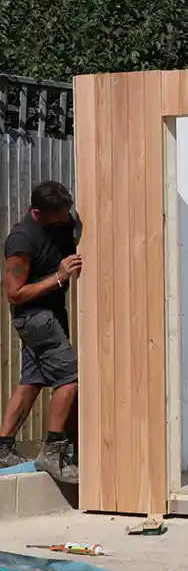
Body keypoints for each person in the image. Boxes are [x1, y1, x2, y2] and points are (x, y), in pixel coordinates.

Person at [0, 181, 82, 483]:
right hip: (35, 317)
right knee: (70, 378)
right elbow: (15, 294)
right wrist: (59, 278)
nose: (65, 219)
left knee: (32, 380)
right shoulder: (22, 239)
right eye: (58, 215)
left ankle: (3, 448)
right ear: (37, 212)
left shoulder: (57, 222)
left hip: (49, 316)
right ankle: (53, 451)